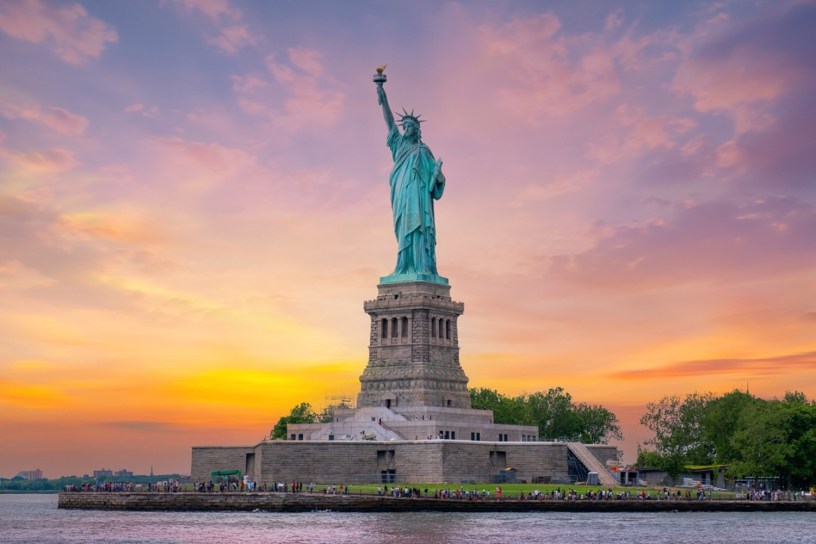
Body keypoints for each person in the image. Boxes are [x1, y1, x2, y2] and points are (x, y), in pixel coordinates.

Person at [376, 82, 445, 279]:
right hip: (402, 195)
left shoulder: (424, 151)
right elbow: (389, 122)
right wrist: (383, 98)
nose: (406, 129)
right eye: (404, 126)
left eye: (410, 127)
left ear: (417, 130)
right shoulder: (398, 146)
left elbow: (437, 180)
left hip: (420, 197)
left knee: (420, 229)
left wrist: (438, 174)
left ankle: (421, 267)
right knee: (404, 229)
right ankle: (404, 266)